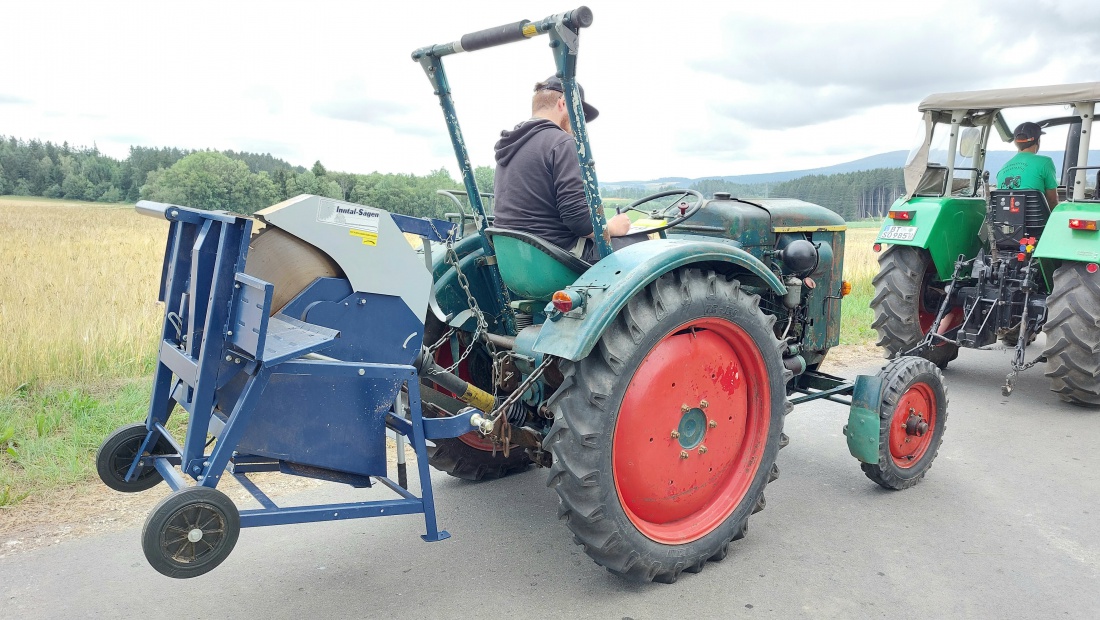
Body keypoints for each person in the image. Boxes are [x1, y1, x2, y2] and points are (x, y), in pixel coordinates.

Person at [492, 76, 635, 263]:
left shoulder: (510, 146)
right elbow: (580, 221)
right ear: (562, 103)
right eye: (578, 113)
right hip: (554, 258)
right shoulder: (562, 143)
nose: (580, 123)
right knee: (647, 246)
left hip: (516, 258)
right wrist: (614, 227)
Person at [996, 121, 1059, 208]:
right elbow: (1052, 201)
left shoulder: (1003, 168)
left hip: (1005, 221)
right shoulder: (1045, 162)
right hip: (1037, 220)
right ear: (1038, 141)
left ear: (1015, 142)